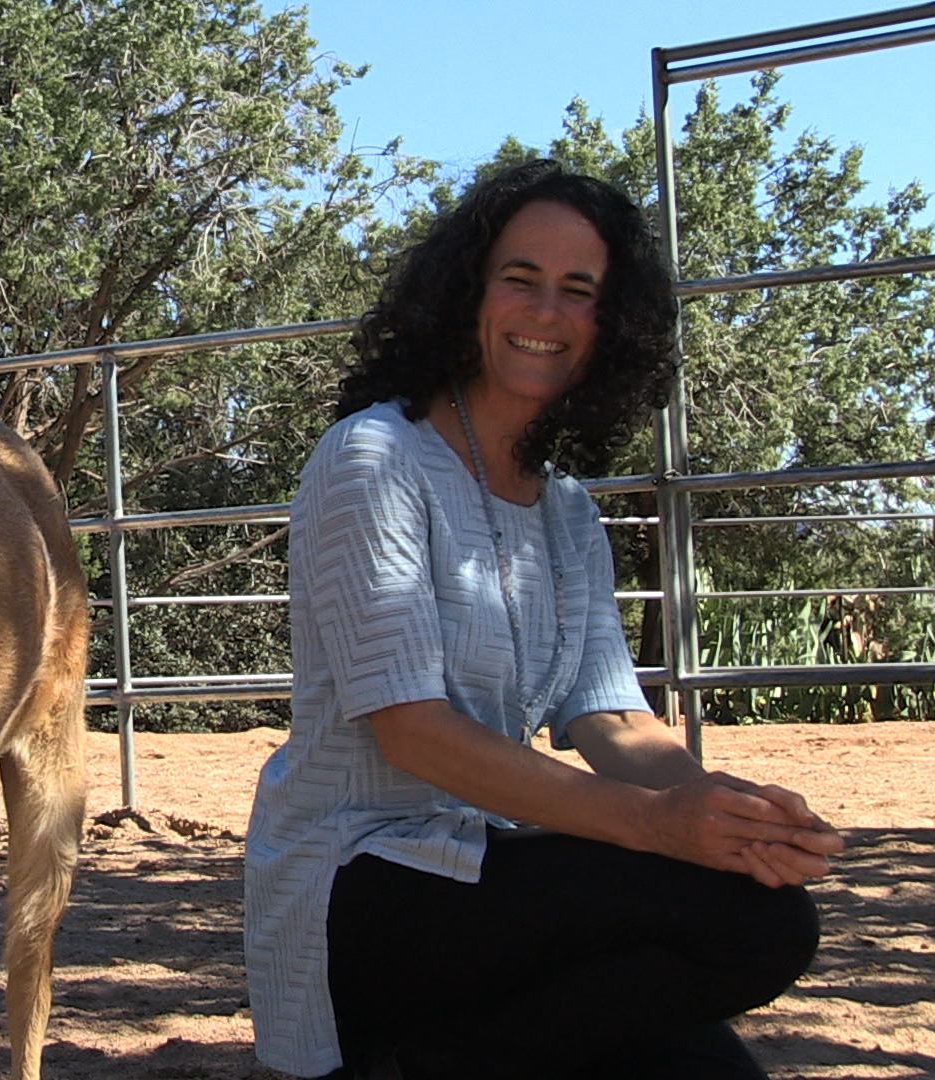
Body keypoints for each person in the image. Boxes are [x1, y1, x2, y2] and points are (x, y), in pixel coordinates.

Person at [243, 158, 845, 1080]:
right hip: (356, 881)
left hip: (481, 866)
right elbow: (412, 733)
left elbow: (610, 714)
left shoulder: (566, 508)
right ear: (466, 293)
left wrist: (720, 813)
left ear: (610, 324)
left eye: (579, 290)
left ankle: (432, 1060)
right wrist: (654, 828)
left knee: (714, 1065)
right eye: (520, 279)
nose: (546, 313)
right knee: (757, 924)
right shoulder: (374, 457)